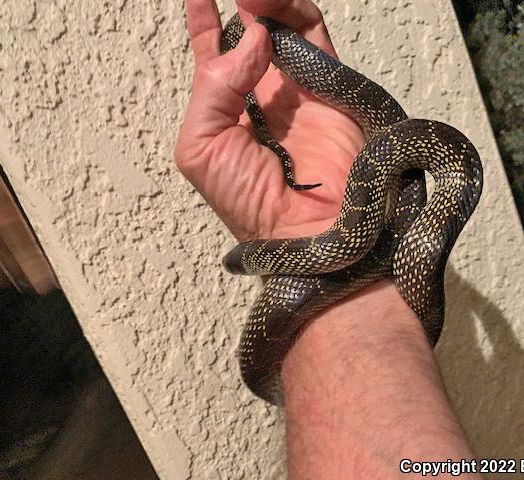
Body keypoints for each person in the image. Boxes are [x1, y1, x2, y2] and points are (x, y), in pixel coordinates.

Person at [175, 0, 482, 477]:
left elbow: (358, 239)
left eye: (259, 260)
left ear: (267, 261)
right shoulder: (357, 233)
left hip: (381, 209)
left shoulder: (363, 225)